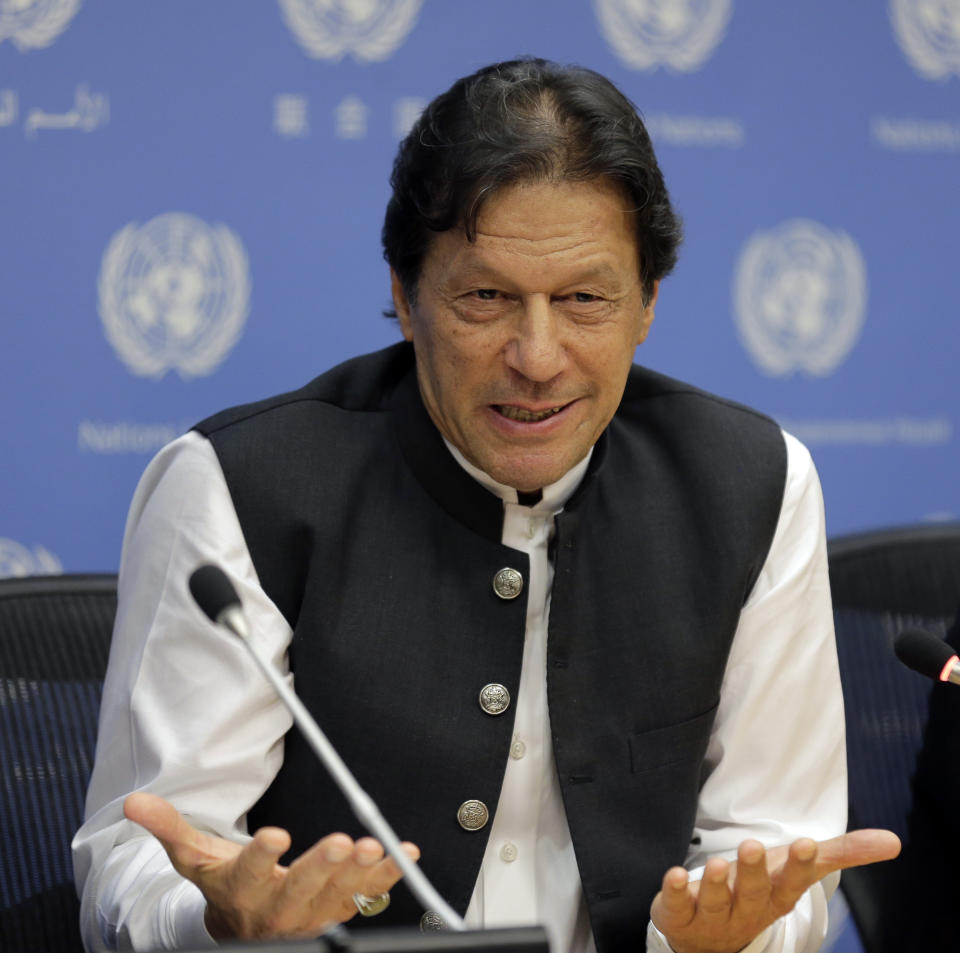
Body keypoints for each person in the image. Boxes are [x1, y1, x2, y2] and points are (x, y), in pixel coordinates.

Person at [72, 58, 898, 953]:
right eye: (486, 298)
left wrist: (717, 938)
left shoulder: (755, 484)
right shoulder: (239, 486)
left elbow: (777, 862)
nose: (538, 356)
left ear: (648, 304)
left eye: (585, 299)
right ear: (404, 294)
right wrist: (219, 921)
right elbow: (136, 866)